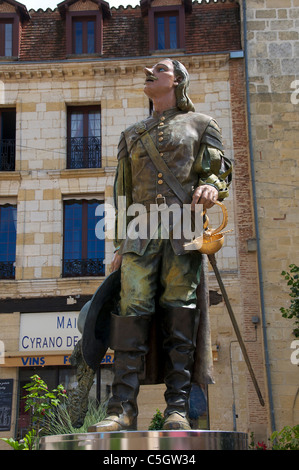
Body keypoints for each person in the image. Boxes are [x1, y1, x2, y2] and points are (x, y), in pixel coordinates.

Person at [89, 58, 232, 432]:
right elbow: (122, 192)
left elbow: (218, 169)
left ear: (178, 81)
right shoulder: (131, 134)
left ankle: (177, 408)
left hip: (183, 230)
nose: (150, 73)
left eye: (161, 69)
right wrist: (119, 244)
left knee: (179, 313)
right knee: (130, 313)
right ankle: (122, 408)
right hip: (139, 234)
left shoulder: (202, 124)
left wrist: (211, 187)